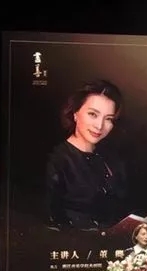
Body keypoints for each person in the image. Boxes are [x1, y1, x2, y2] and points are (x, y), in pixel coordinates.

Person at [45, 79, 129, 231]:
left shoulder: (109, 158)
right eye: (93, 114)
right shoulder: (56, 160)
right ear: (75, 113)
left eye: (108, 119)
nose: (99, 126)